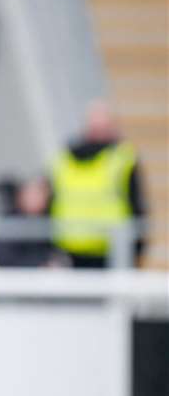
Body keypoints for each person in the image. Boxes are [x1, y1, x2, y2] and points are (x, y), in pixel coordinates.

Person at [47, 100, 149, 269]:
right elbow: (51, 202)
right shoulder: (63, 159)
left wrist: (137, 247)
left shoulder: (123, 158)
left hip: (112, 250)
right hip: (69, 252)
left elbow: (135, 203)